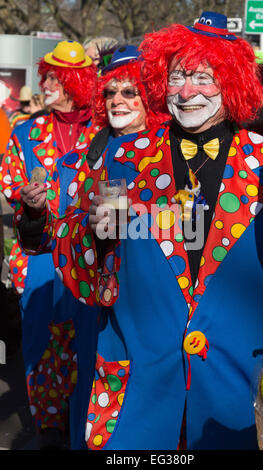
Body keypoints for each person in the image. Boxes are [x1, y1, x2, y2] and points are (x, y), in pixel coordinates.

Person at [49, 12, 263, 450]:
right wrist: (96, 237)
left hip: (235, 391)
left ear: (232, 83)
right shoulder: (126, 158)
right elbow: (82, 266)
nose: (186, 92)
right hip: (138, 389)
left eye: (202, 78)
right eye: (177, 77)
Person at [14, 44, 167, 450]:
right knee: (94, 415)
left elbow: (197, 233)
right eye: (110, 92)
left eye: (129, 92)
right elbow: (48, 237)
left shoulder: (177, 159)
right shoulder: (78, 164)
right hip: (95, 316)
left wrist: (138, 222)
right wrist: (34, 214)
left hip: (158, 316)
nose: (117, 100)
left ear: (150, 98)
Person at [0, 39, 99, 449]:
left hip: (91, 256)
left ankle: (85, 417)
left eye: (58, 79)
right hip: (38, 253)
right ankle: (48, 421)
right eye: (49, 77)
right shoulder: (28, 129)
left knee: (86, 336)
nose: (50, 85)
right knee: (41, 338)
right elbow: (9, 181)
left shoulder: (105, 130)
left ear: (77, 83)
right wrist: (26, 197)